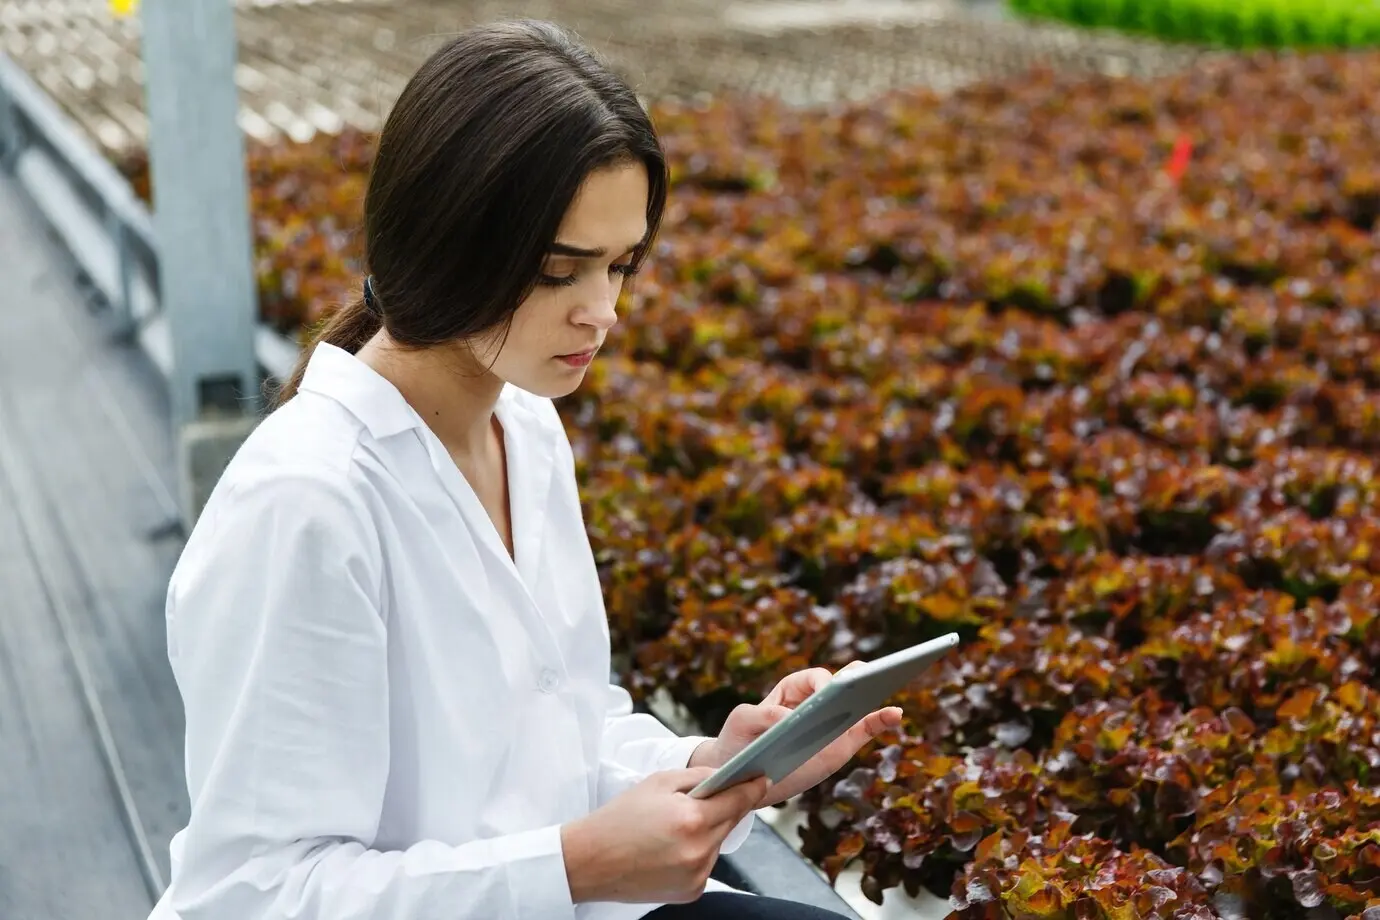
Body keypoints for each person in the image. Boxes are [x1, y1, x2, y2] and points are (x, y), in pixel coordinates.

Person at [147, 19, 902, 920]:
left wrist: (715, 767)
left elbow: (560, 740)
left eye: (621, 265)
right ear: (444, 241)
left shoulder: (527, 430)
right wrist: (576, 866)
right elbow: (253, 897)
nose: (604, 313)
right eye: (557, 271)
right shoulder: (305, 504)